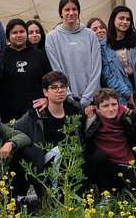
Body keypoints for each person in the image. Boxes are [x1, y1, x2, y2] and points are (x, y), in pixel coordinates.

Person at [14, 70, 85, 203]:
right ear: (45, 92)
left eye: (63, 87)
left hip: (71, 166)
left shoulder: (74, 112)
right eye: (54, 88)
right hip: (45, 168)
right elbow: (14, 129)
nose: (60, 90)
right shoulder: (36, 115)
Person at [46, 0, 102, 108]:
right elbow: (56, 70)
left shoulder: (90, 34)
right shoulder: (52, 37)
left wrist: (87, 98)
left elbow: (97, 68)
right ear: (61, 12)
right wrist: (69, 97)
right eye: (67, 9)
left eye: (74, 9)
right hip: (66, 100)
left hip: (92, 100)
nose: (71, 13)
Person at [82, 87, 136, 196]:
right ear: (98, 108)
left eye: (114, 105)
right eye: (105, 106)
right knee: (98, 157)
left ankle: (121, 192)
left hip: (126, 163)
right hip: (105, 165)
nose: (111, 109)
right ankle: (108, 192)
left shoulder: (126, 116)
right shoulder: (92, 119)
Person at [0, 18, 49, 122]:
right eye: (14, 32)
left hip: (36, 111)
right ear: (8, 36)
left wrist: (47, 99)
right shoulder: (2, 56)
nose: (18, 35)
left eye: (22, 31)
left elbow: (49, 80)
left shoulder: (39, 55)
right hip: (9, 114)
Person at [104, 5, 136, 102]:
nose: (125, 22)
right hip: (119, 96)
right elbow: (108, 76)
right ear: (113, 20)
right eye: (121, 18)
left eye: (128, 19)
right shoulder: (104, 47)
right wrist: (128, 95)